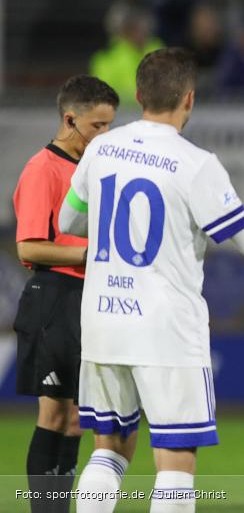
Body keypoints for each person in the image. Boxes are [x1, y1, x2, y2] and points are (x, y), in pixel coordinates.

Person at [59, 47, 244, 513]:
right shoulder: (195, 163)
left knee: (108, 448)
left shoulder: (102, 147)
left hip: (104, 321)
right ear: (190, 98)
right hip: (166, 328)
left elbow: (69, 219)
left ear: (138, 95)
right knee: (175, 459)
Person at [13, 76, 118, 513]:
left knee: (78, 420)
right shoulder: (44, 168)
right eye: (98, 125)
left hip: (87, 296)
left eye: (111, 125)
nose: (105, 135)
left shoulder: (90, 169)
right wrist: (95, 252)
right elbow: (29, 246)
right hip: (54, 295)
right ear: (69, 119)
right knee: (54, 415)